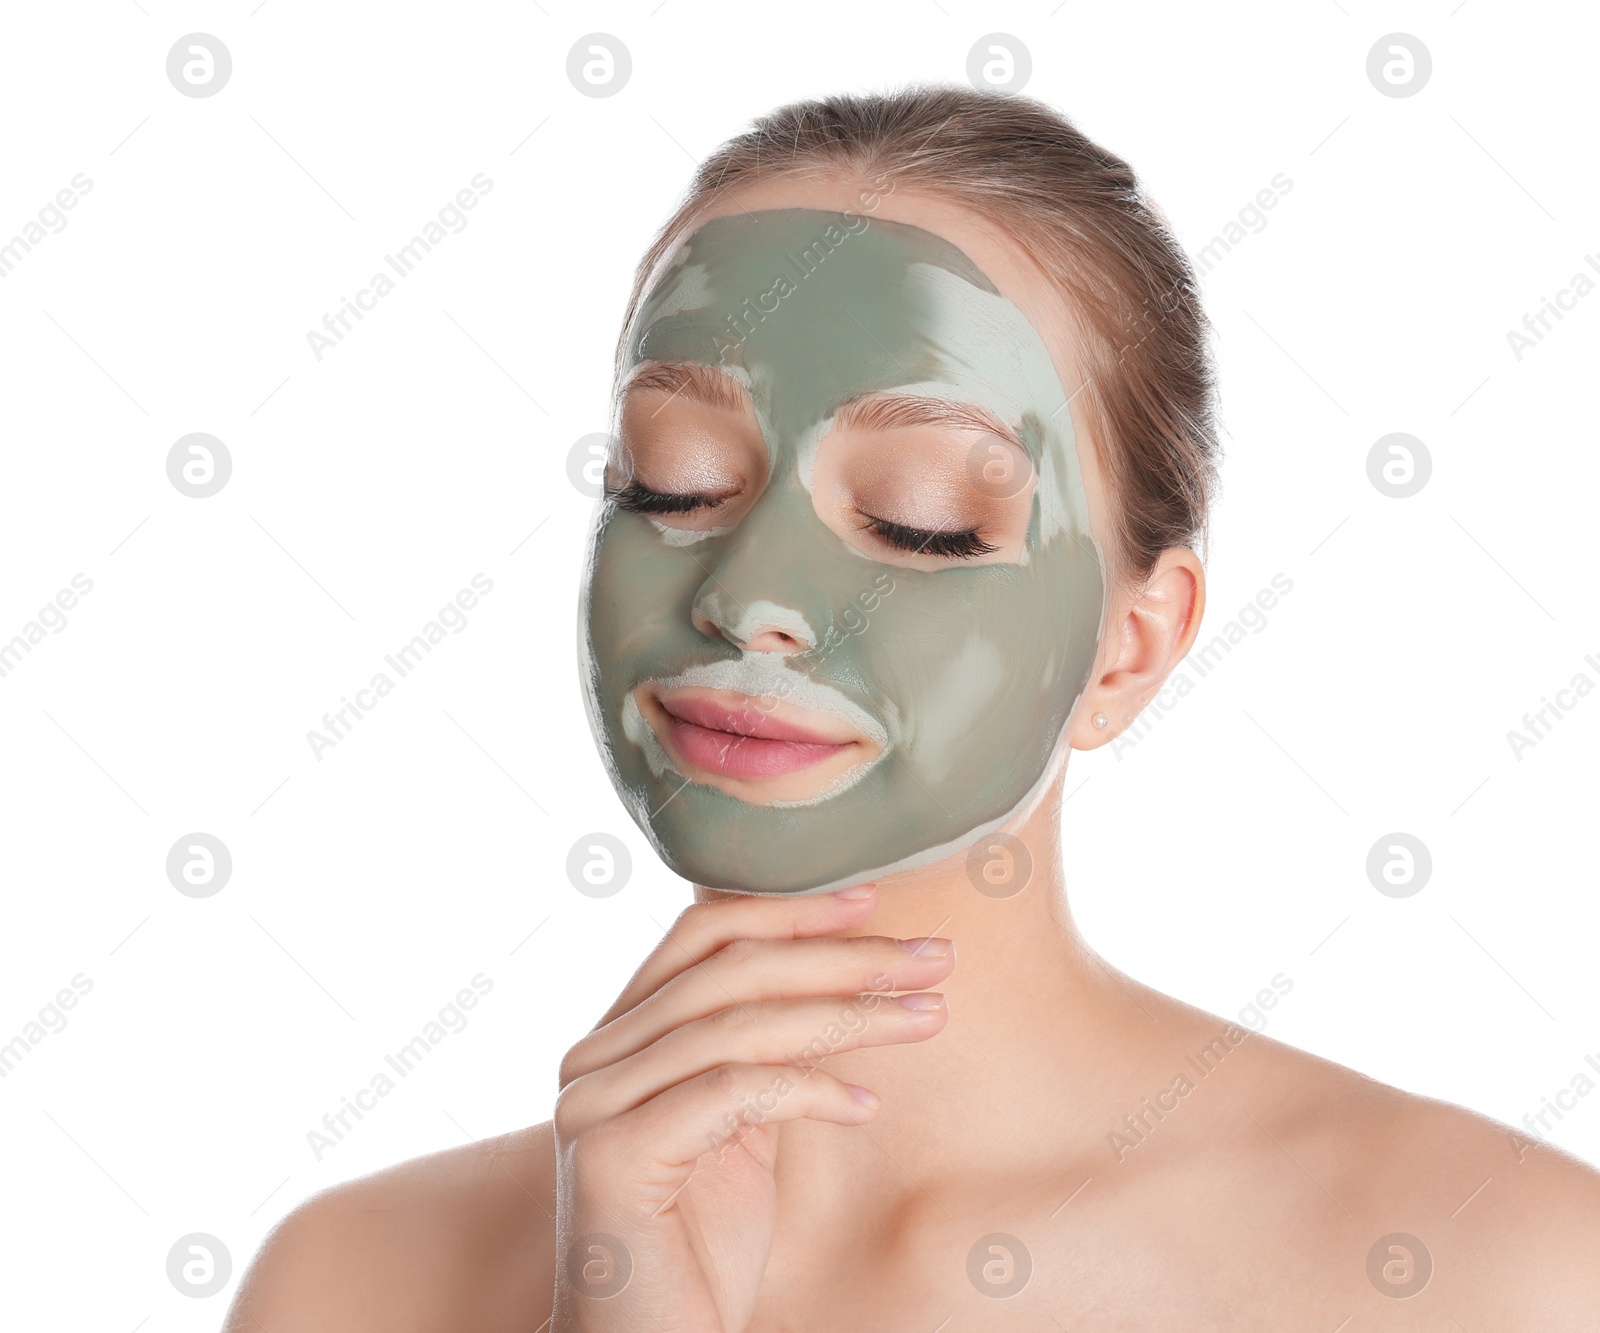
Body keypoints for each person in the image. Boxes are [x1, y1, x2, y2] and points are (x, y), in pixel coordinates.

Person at [224, 87, 1600, 1331]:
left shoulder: (1499, 1270)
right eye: (675, 483)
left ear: (1128, 647)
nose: (752, 596)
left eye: (921, 520)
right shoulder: (352, 1282)